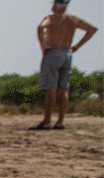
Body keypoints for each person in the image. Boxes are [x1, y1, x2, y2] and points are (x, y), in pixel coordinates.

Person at [30, 0, 97, 130]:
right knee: (63, 88)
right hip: (67, 53)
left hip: (54, 52)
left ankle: (47, 121)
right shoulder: (72, 19)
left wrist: (43, 46)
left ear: (57, 4)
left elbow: (41, 27)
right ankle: (60, 121)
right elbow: (92, 29)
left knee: (51, 88)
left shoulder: (50, 18)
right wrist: (76, 46)